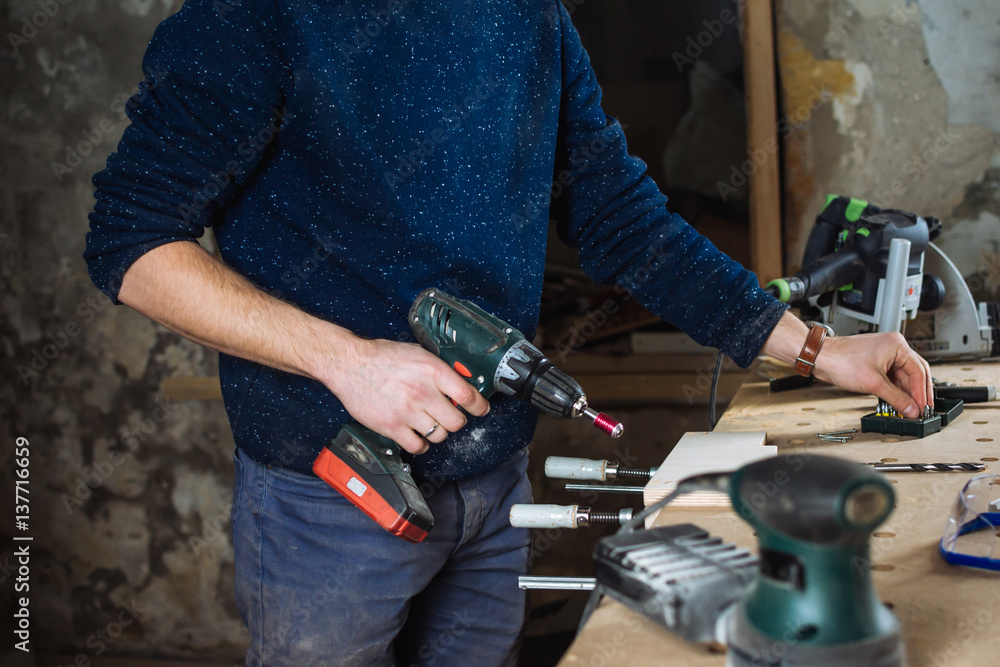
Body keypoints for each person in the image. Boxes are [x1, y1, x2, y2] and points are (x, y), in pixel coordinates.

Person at [84, 1, 933, 665]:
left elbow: (623, 222)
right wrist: (349, 362)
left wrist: (817, 347)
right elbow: (132, 245)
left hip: (496, 482)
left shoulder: (529, 15)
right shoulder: (255, 17)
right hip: (332, 497)